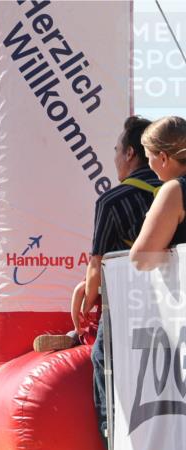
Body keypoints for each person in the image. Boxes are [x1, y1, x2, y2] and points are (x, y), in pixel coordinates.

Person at [35, 116, 159, 355]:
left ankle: (79, 334)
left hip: (127, 308)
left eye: (117, 150)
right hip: (173, 306)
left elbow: (96, 266)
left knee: (102, 360)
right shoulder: (176, 192)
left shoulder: (111, 201)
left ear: (130, 153)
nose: (115, 158)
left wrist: (84, 309)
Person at [130, 116, 186, 270]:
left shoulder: (174, 190)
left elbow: (141, 260)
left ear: (163, 158)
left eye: (148, 157)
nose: (149, 165)